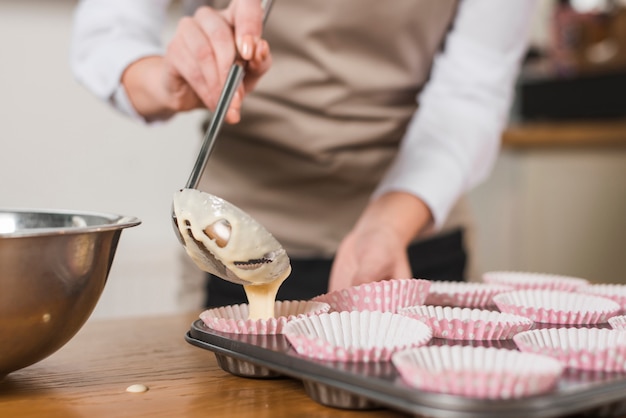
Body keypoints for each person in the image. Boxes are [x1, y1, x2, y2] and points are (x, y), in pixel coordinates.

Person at [70, 0, 537, 308]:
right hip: (235, 241)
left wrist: (389, 222)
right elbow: (109, 33)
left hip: (413, 229)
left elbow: (472, 91)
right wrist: (170, 81)